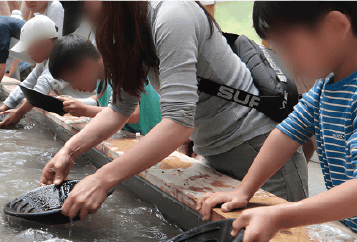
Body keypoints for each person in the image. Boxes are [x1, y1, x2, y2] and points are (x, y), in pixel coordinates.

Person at [39, 1, 309, 221]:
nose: (93, 22)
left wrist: (102, 178)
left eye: (88, 10)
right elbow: (119, 109)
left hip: (258, 150)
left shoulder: (171, 14)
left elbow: (178, 123)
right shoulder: (131, 31)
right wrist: (68, 151)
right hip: (214, 152)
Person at [197, 2, 357, 241]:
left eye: (287, 45)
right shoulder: (326, 85)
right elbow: (287, 133)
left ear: (335, 26)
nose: (285, 61)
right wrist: (244, 190)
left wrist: (282, 215)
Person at [0, 17, 96, 128]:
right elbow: (28, 84)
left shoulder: (60, 58)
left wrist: (19, 113)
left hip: (89, 110)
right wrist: (6, 106)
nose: (27, 52)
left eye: (29, 48)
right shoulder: (45, 61)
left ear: (46, 45)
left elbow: (39, 91)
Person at [47, 35, 162, 135]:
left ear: (84, 65)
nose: (74, 87)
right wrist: (73, 103)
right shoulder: (103, 76)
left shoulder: (120, 68)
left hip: (155, 133)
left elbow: (132, 114)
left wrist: (85, 110)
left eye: (71, 80)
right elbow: (104, 101)